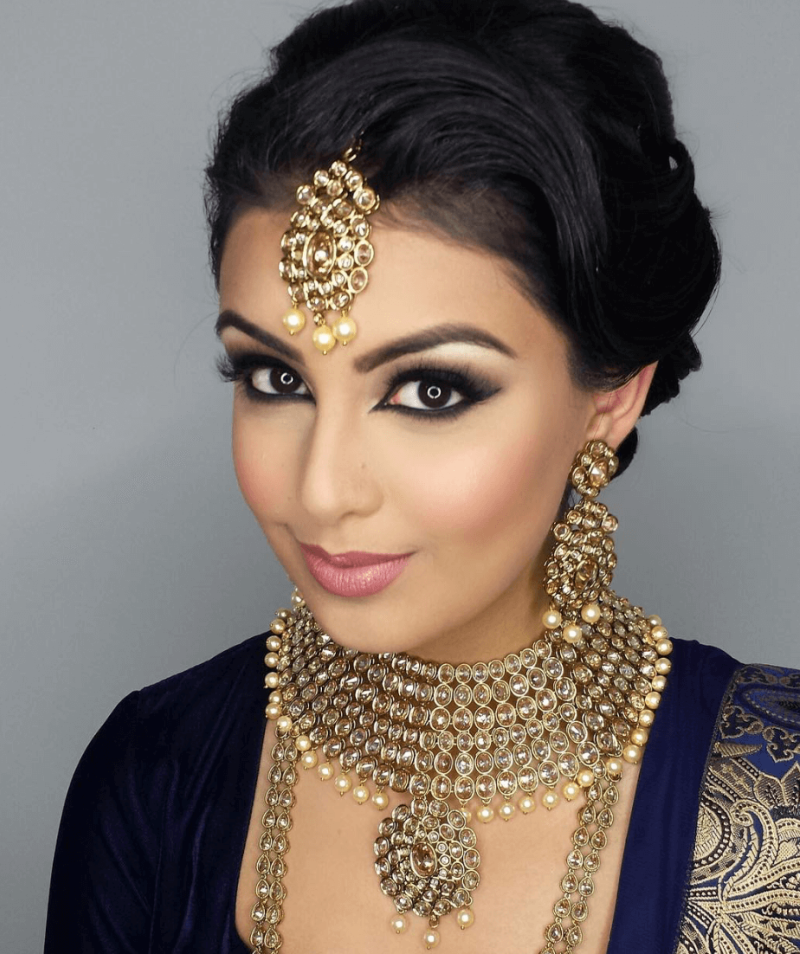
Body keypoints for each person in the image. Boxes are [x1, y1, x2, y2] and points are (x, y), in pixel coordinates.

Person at [44, 1, 800, 952]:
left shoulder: (777, 797)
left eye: (430, 391)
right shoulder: (156, 774)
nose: (322, 490)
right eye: (274, 378)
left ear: (611, 397)